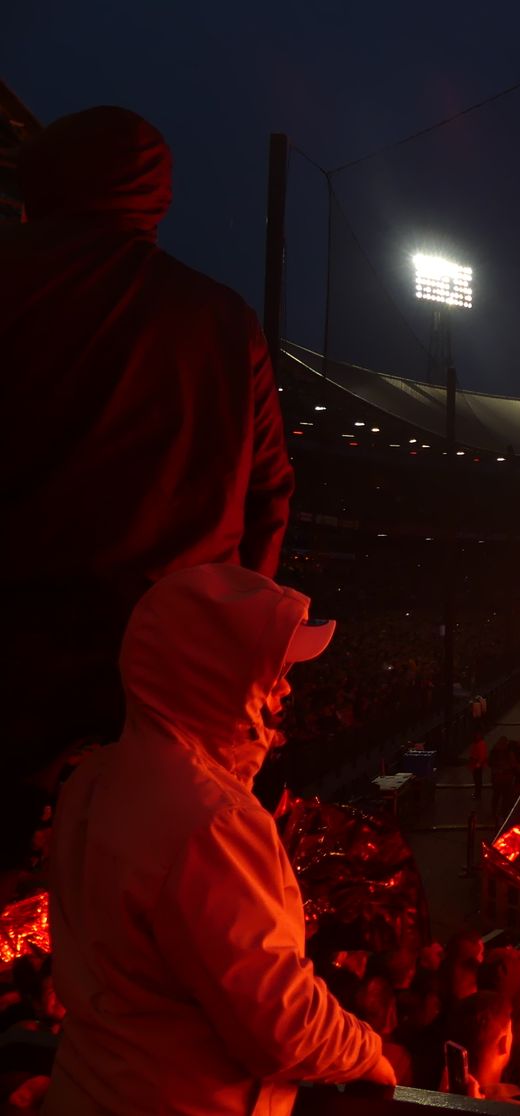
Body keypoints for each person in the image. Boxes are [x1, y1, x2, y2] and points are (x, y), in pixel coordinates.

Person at [0, 107, 294, 873]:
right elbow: (270, 499)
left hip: (21, 684)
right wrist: (234, 658)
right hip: (170, 693)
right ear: (154, 198)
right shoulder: (225, 319)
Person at [43, 564, 393, 1114]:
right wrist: (370, 1055)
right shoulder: (212, 820)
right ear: (216, 674)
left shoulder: (95, 777)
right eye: (272, 673)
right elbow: (281, 1024)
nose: (286, 689)